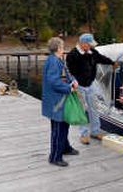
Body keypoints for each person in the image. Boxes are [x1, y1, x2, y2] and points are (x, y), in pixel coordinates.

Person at [66, 33, 117, 145]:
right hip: (79, 85)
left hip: (90, 84)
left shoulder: (92, 52)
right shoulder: (72, 55)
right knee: (81, 110)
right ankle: (83, 134)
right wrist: (73, 84)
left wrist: (112, 62)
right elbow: (69, 72)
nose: (91, 46)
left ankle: (95, 131)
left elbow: (101, 58)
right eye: (89, 44)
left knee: (94, 108)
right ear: (83, 43)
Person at [42, 37, 79, 167]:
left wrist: (73, 80)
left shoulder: (57, 60)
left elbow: (66, 74)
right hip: (56, 103)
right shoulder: (53, 62)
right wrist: (69, 88)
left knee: (64, 125)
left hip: (62, 101)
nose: (64, 49)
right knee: (58, 129)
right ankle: (55, 157)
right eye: (62, 47)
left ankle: (65, 148)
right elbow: (54, 82)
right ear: (58, 48)